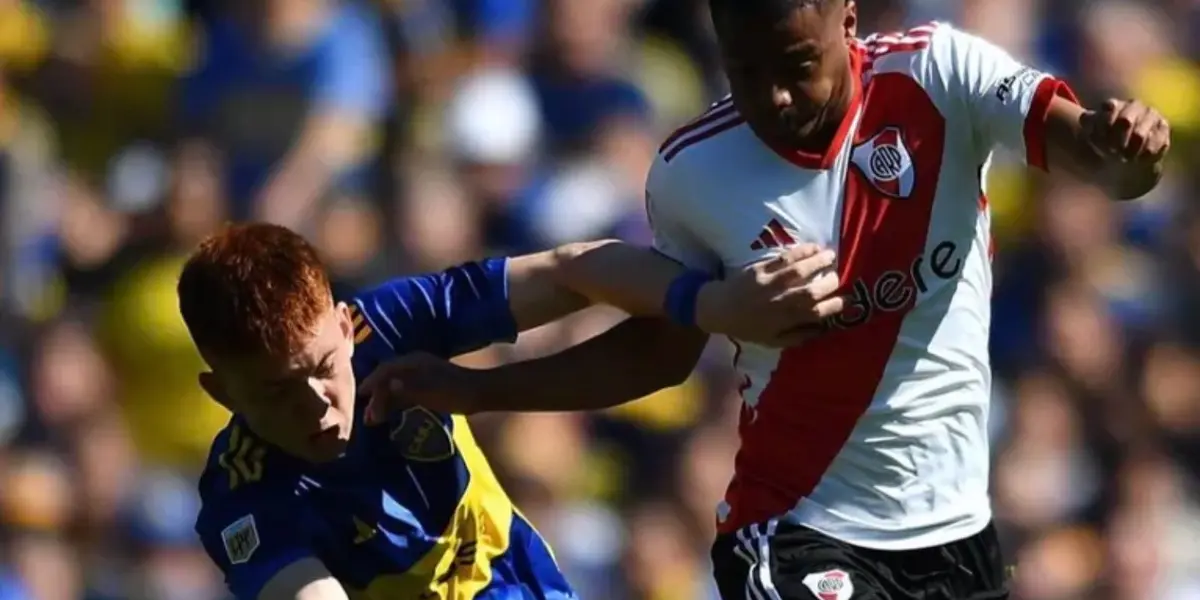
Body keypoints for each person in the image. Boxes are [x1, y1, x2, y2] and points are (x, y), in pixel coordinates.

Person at [362, 1, 1172, 599]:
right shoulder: (693, 173)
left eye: (795, 64)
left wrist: (1126, 148)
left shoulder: (941, 75)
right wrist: (478, 391)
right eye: (747, 71)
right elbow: (659, 352)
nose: (775, 97)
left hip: (959, 536)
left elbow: (1098, 161)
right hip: (796, 530)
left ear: (845, 17)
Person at [182, 222, 839, 600]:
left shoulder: (386, 327)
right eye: (275, 393)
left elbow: (570, 270)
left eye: (325, 367)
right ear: (222, 394)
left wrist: (713, 304)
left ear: (338, 321)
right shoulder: (244, 499)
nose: (318, 407)